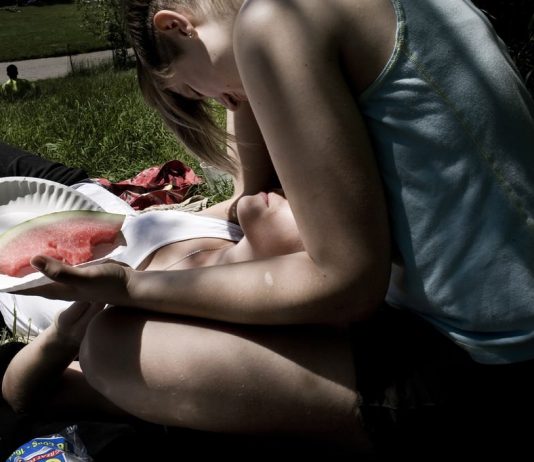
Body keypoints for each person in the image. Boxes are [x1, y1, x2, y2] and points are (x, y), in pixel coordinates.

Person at [7, 0, 534, 454]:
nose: (227, 103)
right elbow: (250, 190)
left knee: (112, 349)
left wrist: (131, 287)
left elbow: (347, 286)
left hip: (486, 371)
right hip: (498, 332)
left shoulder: (277, 21)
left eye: (198, 90)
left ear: (176, 26)